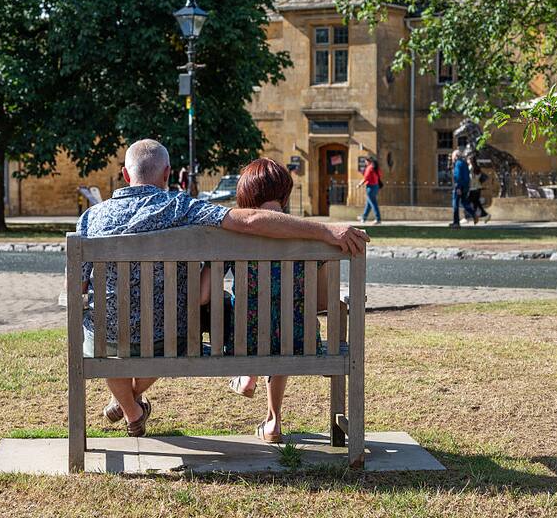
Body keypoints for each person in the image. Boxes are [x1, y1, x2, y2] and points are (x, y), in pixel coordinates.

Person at [76, 140, 368, 437]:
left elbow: (76, 286)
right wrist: (326, 229)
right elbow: (251, 220)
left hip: (104, 339)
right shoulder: (180, 206)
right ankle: (132, 408)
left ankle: (130, 408)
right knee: (173, 330)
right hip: (170, 338)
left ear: (126, 175)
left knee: (105, 342)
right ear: (167, 174)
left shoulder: (90, 219)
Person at [217, 159, 328, 443]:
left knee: (250, 313)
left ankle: (248, 373)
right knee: (285, 319)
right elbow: (322, 301)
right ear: (285, 193)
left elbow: (208, 287)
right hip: (300, 338)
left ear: (246, 196)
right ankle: (273, 422)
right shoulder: (311, 234)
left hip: (247, 338)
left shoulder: (233, 237)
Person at [449, 150, 476, 228]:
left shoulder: (458, 163)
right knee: (464, 202)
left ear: (456, 156)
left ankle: (456, 223)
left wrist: (458, 187)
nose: (452, 158)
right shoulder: (464, 163)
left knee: (455, 204)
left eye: (453, 156)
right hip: (466, 186)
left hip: (459, 187)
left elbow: (458, 176)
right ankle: (474, 214)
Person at [356, 156, 382, 224]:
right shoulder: (376, 167)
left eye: (365, 161)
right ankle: (364, 217)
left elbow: (365, 178)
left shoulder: (369, 168)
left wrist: (359, 184)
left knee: (373, 203)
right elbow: (380, 175)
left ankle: (378, 218)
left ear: (368, 161)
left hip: (370, 187)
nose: (365, 162)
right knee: (369, 204)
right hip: (376, 186)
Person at [467, 154, 490, 223]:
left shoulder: (470, 167)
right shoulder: (477, 167)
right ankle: (483, 216)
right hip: (478, 188)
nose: (467, 160)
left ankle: (470, 217)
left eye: (468, 159)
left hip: (473, 188)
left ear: (470, 160)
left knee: (468, 202)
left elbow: (471, 178)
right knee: (476, 203)